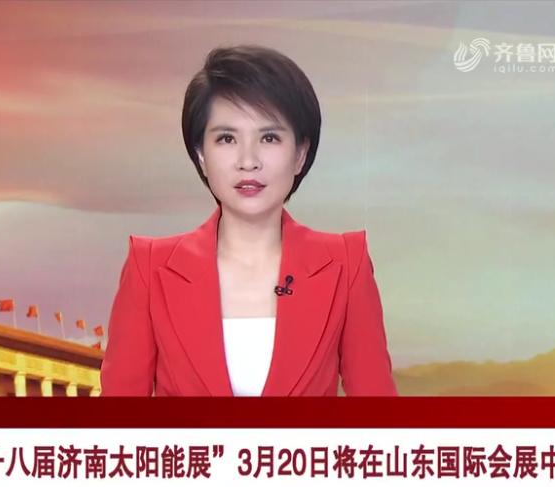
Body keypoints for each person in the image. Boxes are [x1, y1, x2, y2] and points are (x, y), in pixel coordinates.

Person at [100, 45, 397, 397]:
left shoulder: (346, 264)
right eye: (226, 138)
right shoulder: (150, 269)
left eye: (269, 138)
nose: (248, 161)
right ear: (201, 155)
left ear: (301, 153)